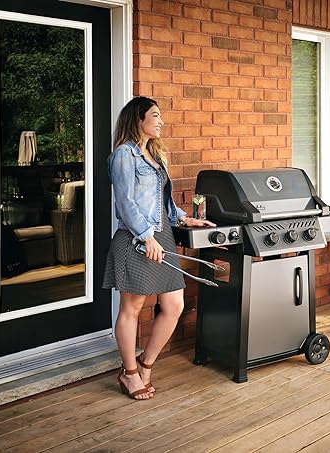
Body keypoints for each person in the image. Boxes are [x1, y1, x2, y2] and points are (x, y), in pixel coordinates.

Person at [103, 96, 213, 400]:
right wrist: (145, 237)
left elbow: (163, 203)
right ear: (138, 119)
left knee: (174, 305)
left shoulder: (154, 154)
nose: (161, 121)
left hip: (161, 235)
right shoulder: (123, 155)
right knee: (132, 308)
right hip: (136, 238)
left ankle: (145, 364)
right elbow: (126, 203)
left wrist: (186, 218)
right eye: (155, 115)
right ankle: (129, 373)